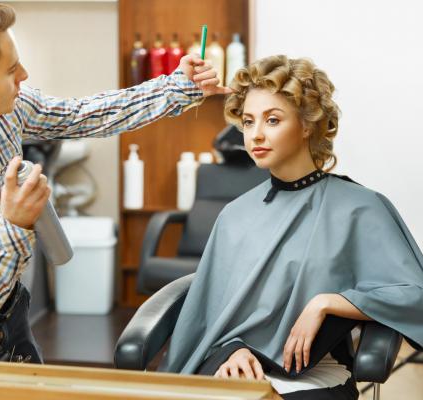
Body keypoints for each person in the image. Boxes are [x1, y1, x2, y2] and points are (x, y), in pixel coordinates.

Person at [0, 0, 229, 374]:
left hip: (10, 309)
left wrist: (177, 87)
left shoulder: (6, 114)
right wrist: (13, 224)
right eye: (11, 70)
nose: (24, 75)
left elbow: (84, 114)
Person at [159, 55, 423, 399]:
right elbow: (207, 319)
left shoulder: (360, 207)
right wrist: (228, 351)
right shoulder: (235, 215)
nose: (256, 135)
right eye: (248, 121)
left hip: (314, 370)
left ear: (308, 124)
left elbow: (413, 294)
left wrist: (328, 302)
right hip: (232, 364)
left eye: (272, 120)